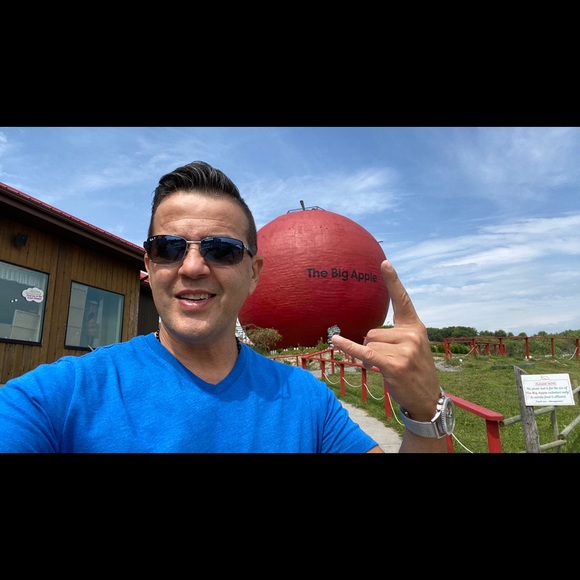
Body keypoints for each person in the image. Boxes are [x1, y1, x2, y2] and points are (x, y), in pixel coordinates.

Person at [0, 160, 446, 453]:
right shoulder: (55, 398)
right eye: (169, 247)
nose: (193, 267)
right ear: (149, 265)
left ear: (254, 272)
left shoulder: (306, 400)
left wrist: (425, 414)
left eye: (222, 250)